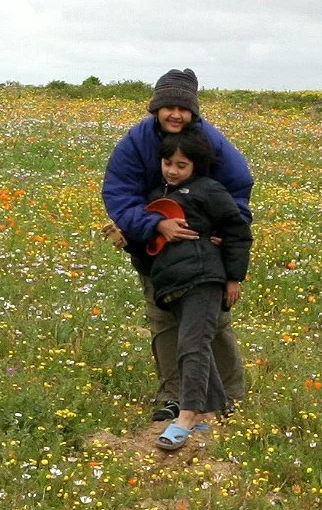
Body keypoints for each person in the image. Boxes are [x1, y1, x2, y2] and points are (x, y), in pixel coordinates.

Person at [101, 68, 252, 421]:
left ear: (193, 112)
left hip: (204, 254)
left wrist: (225, 233)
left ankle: (231, 397)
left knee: (212, 323)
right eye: (167, 106)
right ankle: (174, 396)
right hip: (153, 249)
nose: (175, 114)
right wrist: (155, 224)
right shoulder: (136, 142)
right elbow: (119, 194)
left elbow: (238, 186)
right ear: (155, 108)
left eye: (183, 108)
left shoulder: (211, 141)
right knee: (164, 319)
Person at [128, 132, 251, 448]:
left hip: (204, 278)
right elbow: (147, 243)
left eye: (181, 165)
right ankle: (215, 413)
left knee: (192, 347)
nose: (172, 170)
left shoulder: (208, 190)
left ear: (195, 165)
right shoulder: (156, 196)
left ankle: (187, 417)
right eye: (168, 162)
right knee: (196, 346)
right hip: (172, 285)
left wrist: (233, 277)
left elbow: (237, 230)